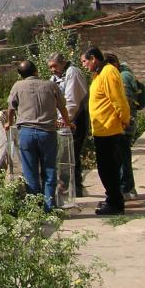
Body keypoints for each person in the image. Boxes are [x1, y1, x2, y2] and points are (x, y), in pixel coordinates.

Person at [5, 60, 73, 212]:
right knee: (49, 170)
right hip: (47, 133)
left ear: (20, 75)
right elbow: (62, 107)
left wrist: (9, 123)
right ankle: (49, 207)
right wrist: (68, 123)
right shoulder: (50, 85)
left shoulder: (18, 86)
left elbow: (10, 108)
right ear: (36, 71)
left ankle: (35, 209)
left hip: (27, 133)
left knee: (30, 171)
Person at [81, 47, 131, 216]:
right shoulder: (98, 74)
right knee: (106, 169)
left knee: (109, 169)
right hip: (102, 130)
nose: (84, 65)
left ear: (93, 58)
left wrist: (124, 120)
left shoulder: (108, 72)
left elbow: (118, 100)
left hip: (110, 130)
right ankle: (112, 197)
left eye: (85, 61)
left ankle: (116, 203)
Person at [48, 53, 89, 195]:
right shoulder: (55, 77)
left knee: (69, 155)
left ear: (63, 63)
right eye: (50, 67)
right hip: (64, 121)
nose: (52, 69)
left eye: (55, 66)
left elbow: (72, 101)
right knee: (71, 156)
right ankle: (75, 188)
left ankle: (67, 188)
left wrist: (65, 120)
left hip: (75, 120)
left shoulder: (72, 73)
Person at [106, 54, 139, 199]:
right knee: (121, 155)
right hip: (124, 122)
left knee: (122, 156)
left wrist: (122, 120)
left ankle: (126, 188)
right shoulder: (123, 74)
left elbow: (125, 101)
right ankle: (127, 188)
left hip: (124, 123)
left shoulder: (123, 76)